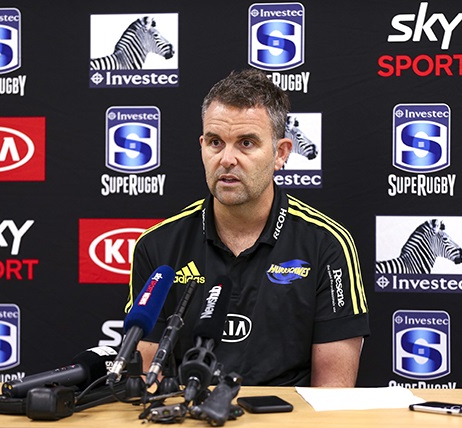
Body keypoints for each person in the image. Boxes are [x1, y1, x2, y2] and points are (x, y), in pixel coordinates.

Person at [125, 69, 369, 387]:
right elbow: (145, 381)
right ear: (201, 146)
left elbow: (333, 397)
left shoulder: (327, 245)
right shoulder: (157, 245)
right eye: (215, 142)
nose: (227, 159)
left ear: (280, 153)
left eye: (246, 143)